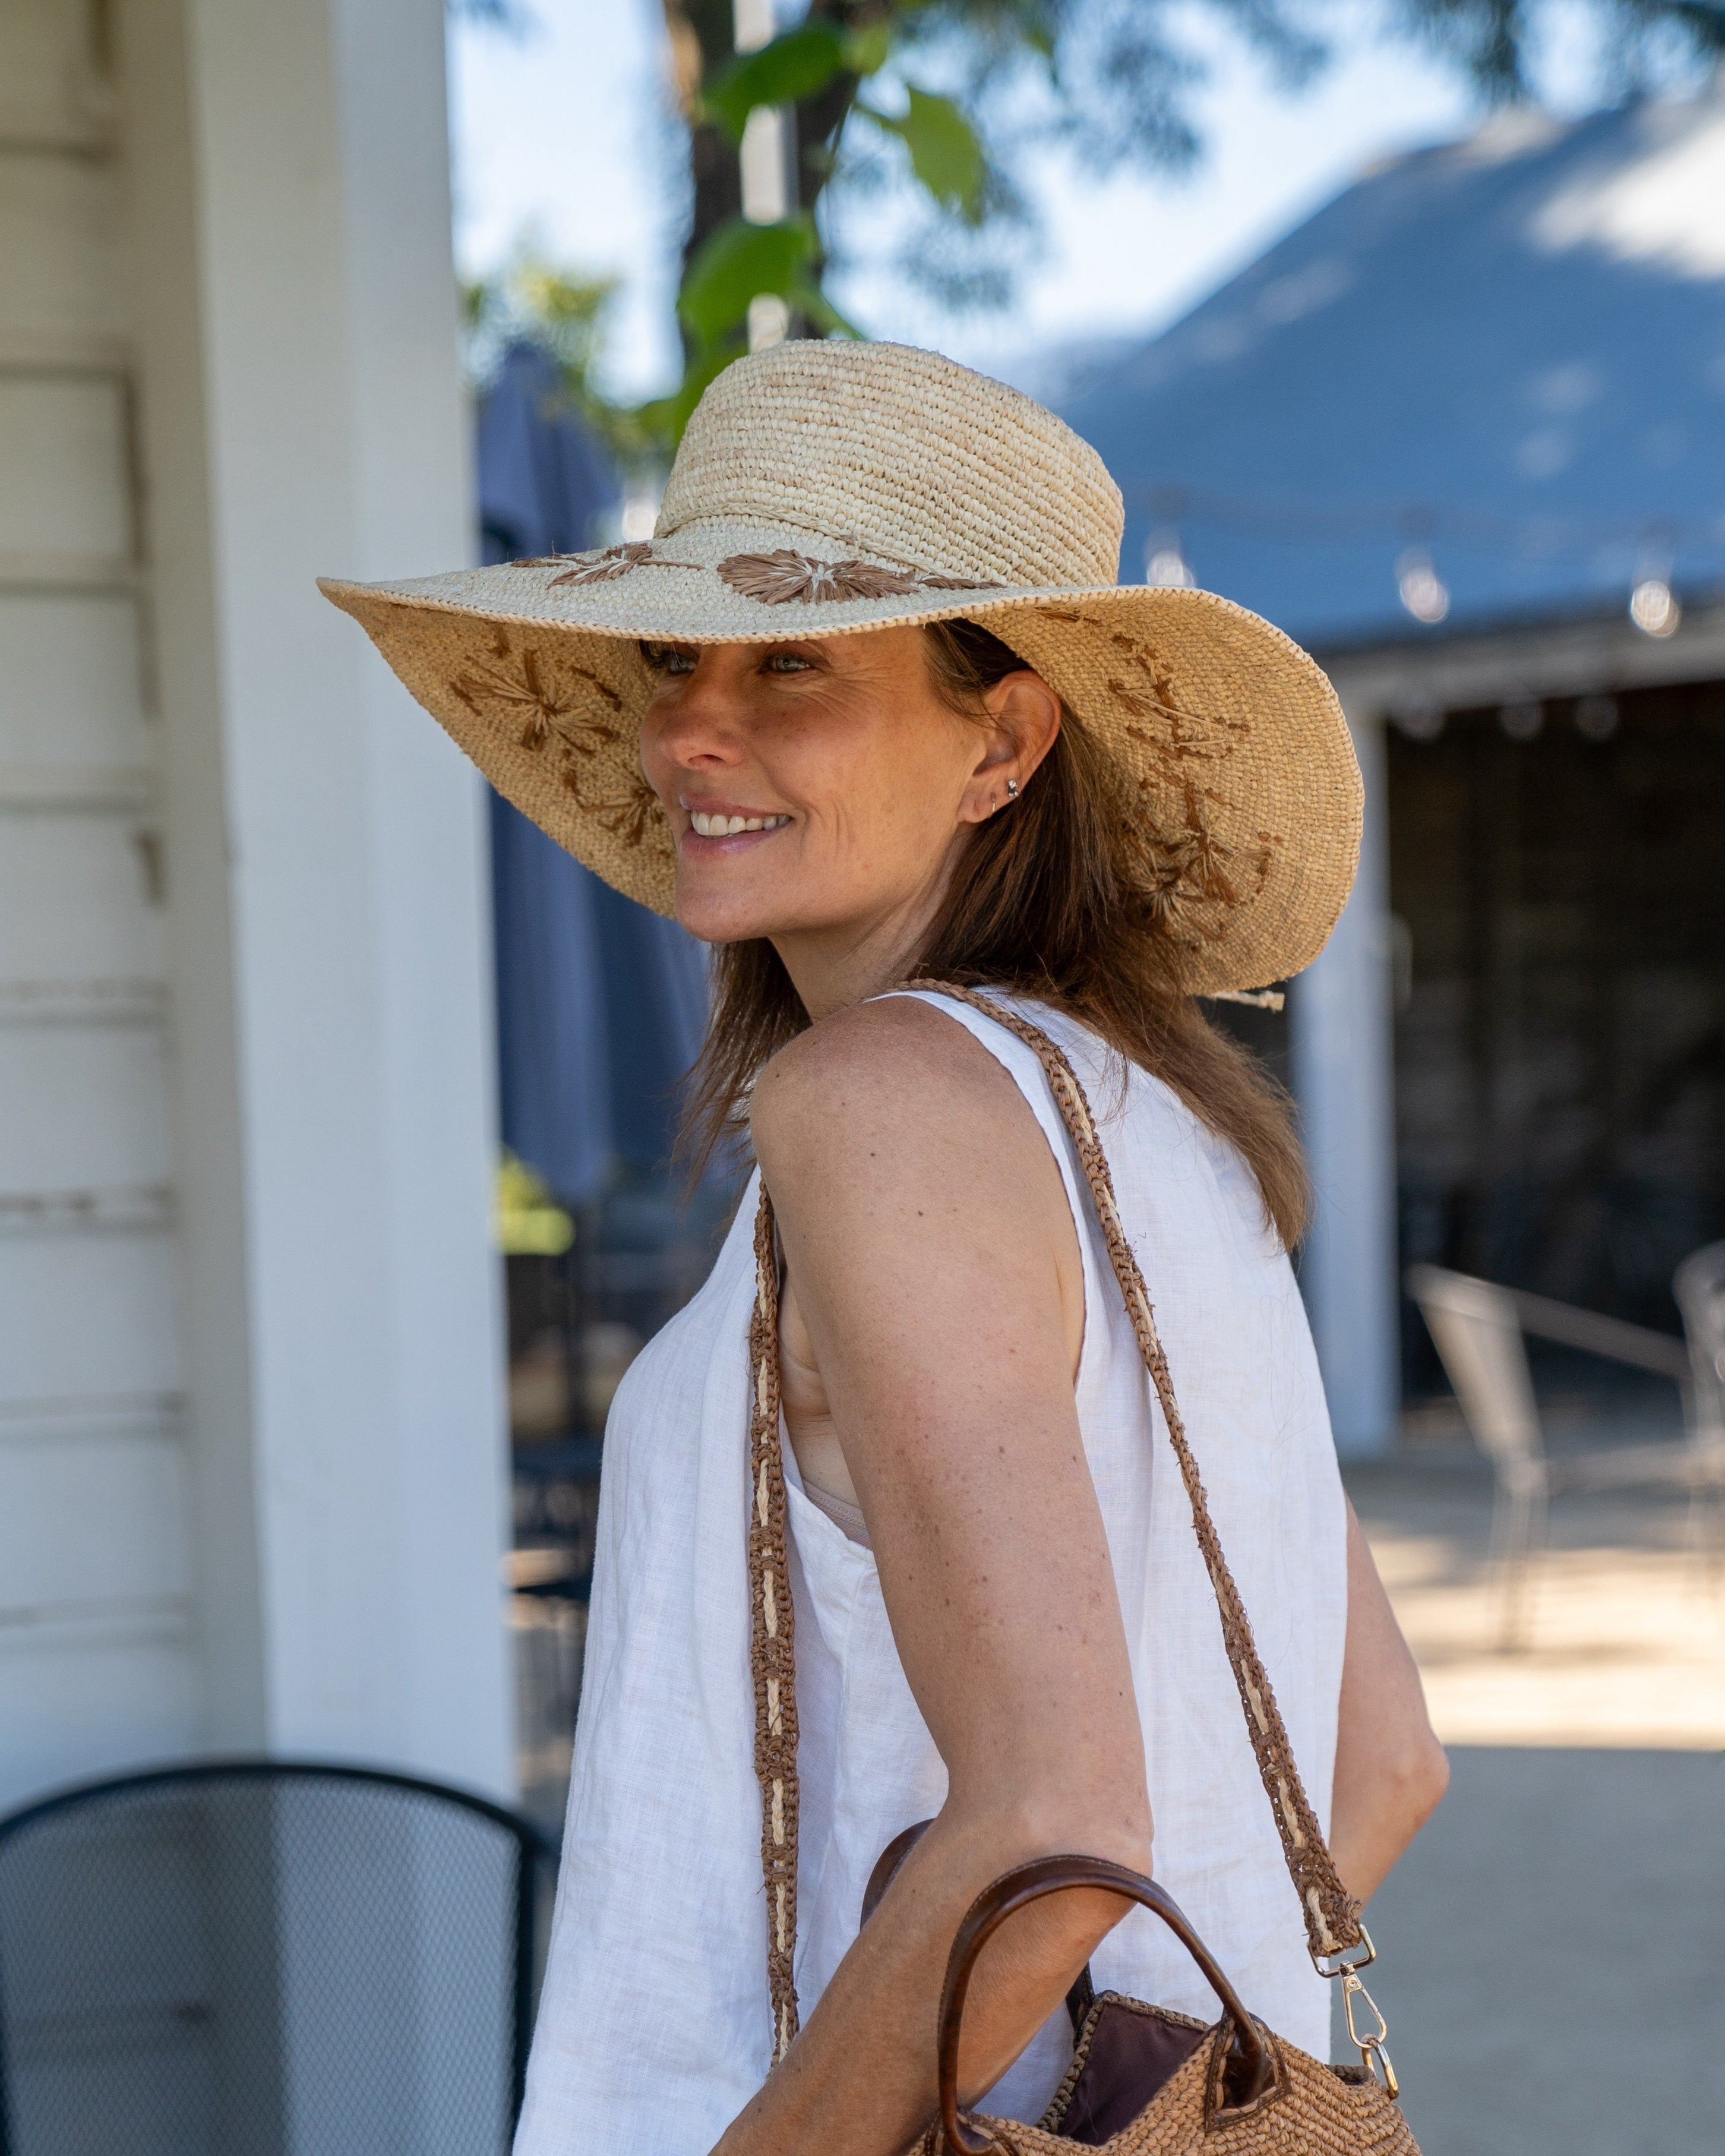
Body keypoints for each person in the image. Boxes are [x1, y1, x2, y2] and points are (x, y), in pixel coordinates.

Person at [323, 339, 1448, 2156]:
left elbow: (1054, 1822)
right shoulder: (1166, 1124)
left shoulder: (879, 1104)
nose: (690, 727)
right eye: (676, 656)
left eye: (794, 665)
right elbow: (1381, 1766)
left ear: (1002, 742)